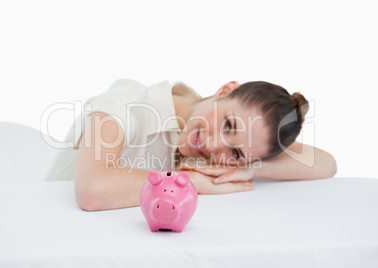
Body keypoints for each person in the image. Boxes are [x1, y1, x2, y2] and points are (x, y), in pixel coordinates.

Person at [45, 79, 337, 211]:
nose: (213, 146)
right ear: (225, 90)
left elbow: (326, 163)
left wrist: (252, 167)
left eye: (234, 152)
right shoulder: (128, 101)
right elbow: (92, 192)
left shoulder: (229, 155)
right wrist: (190, 182)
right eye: (228, 124)